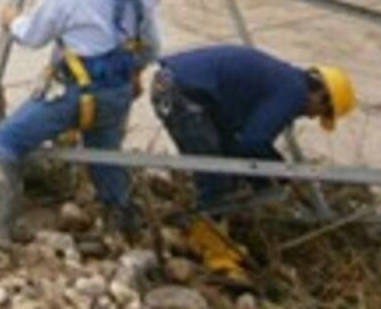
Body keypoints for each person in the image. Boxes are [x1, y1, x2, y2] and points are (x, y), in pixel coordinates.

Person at [0, 0, 161, 245]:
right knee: (104, 155)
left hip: (76, 93)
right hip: (117, 91)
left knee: (2, 141)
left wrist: (12, 21)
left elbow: (33, 37)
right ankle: (123, 230)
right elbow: (152, 45)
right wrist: (134, 73)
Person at [152, 45, 355, 280]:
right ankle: (215, 252)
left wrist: (263, 177)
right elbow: (254, 142)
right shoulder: (293, 92)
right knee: (214, 169)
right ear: (321, 95)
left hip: (177, 84)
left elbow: (240, 143)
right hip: (183, 92)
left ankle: (203, 233)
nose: (311, 116)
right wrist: (276, 177)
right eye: (319, 112)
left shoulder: (285, 80)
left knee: (223, 163)